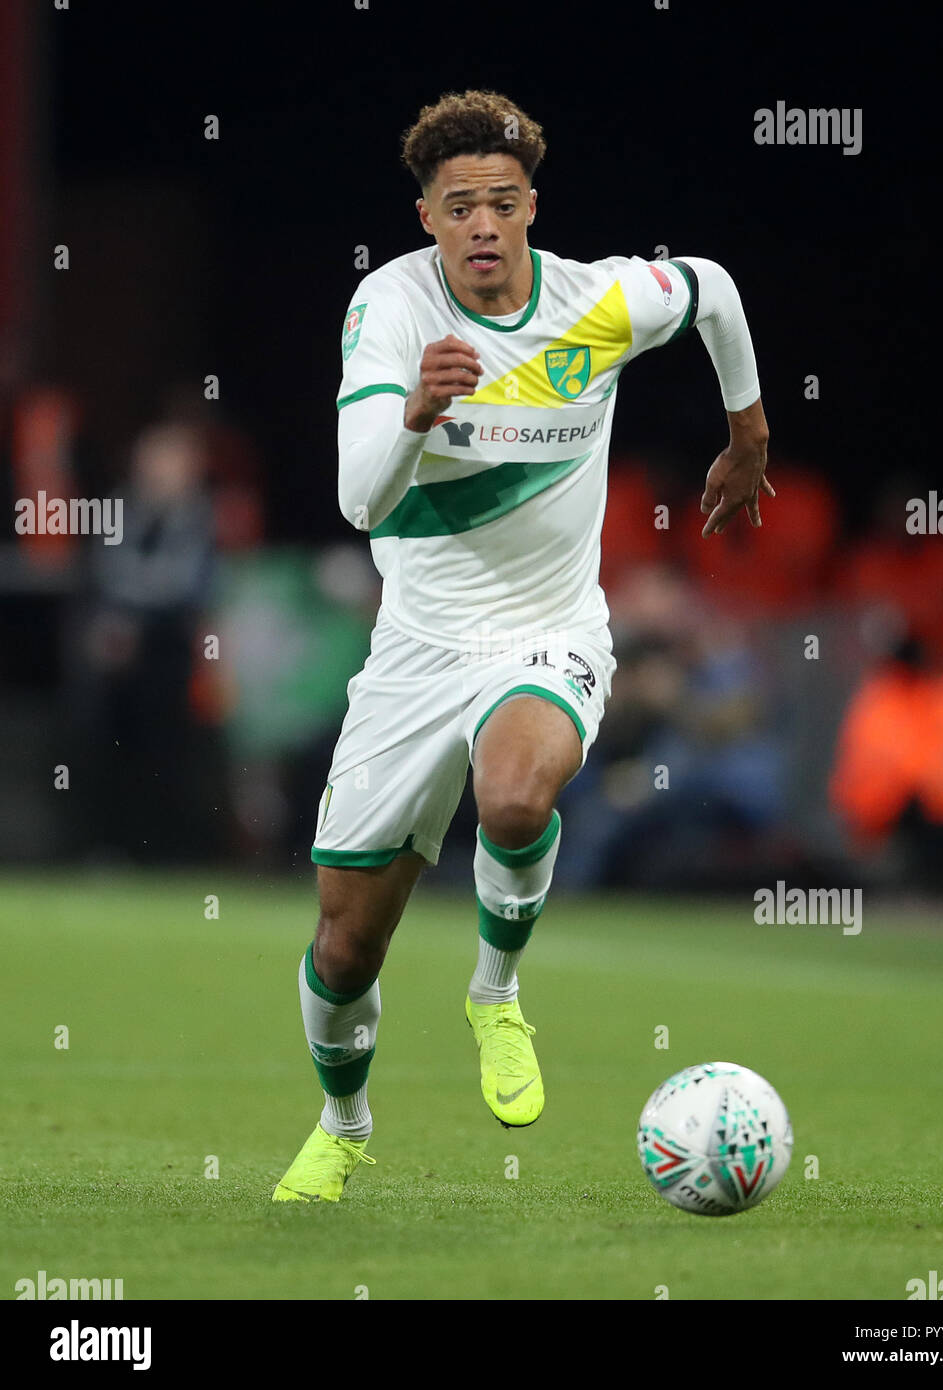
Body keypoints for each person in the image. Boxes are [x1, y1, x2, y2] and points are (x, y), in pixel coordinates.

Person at [273, 90, 772, 1202]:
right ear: (428, 220)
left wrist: (748, 432)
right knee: (346, 947)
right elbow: (359, 501)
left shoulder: (597, 300)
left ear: (531, 206)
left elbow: (715, 293)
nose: (484, 225)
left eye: (503, 202)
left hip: (547, 630)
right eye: (462, 208)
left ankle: (495, 993)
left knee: (512, 798)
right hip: (414, 645)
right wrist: (411, 412)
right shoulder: (390, 308)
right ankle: (342, 1124)